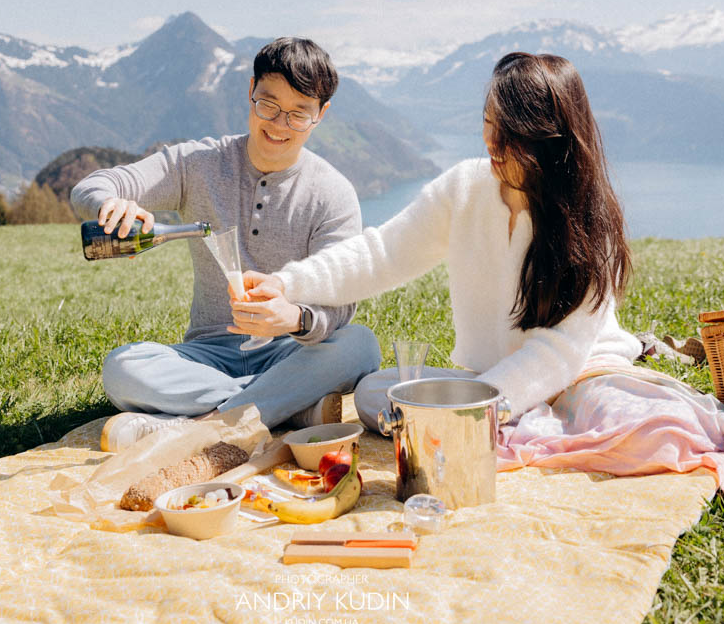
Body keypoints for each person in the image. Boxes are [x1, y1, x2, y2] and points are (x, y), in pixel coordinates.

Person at [240, 52, 643, 430]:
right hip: (483, 383)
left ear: (548, 140)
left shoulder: (589, 223)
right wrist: (286, 284)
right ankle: (485, 423)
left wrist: (478, 407)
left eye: (510, 133)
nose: (491, 142)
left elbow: (557, 353)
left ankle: (487, 423)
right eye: (489, 122)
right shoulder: (465, 188)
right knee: (375, 394)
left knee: (621, 423)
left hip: (577, 377)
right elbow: (381, 254)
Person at [70, 37, 381, 447]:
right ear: (250, 90)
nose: (278, 124)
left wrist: (295, 318)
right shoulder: (197, 164)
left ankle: (205, 422)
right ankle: (288, 407)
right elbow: (92, 186)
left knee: (360, 344)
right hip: (207, 355)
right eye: (268, 104)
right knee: (123, 367)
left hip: (289, 352)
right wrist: (109, 203)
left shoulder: (333, 193)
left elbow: (341, 303)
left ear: (321, 114)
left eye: (298, 114)